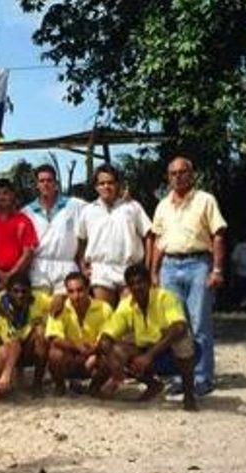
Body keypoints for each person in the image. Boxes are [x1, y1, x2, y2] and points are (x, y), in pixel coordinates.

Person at [151, 156, 226, 396]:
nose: (178, 177)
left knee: (199, 323)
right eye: (173, 173)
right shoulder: (163, 205)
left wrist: (217, 270)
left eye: (182, 172)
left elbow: (218, 234)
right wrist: (153, 271)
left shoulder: (205, 200)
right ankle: (180, 377)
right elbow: (158, 241)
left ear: (192, 175)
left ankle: (202, 378)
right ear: (168, 177)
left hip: (198, 264)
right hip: (169, 267)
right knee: (175, 325)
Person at [96, 264, 199, 411]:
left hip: (171, 353)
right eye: (132, 284)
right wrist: (115, 368)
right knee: (117, 350)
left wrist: (149, 355)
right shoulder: (126, 305)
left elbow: (180, 327)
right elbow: (105, 337)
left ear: (149, 282)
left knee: (182, 339)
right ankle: (153, 385)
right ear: (128, 287)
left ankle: (189, 396)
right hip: (146, 353)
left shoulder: (165, 297)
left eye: (140, 282)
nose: (137, 287)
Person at [76, 164, 153, 307]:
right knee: (104, 315)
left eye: (110, 182)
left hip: (129, 269)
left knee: (129, 315)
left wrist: (147, 267)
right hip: (100, 271)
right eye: (102, 183)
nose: (106, 186)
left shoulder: (132, 207)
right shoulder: (88, 211)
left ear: (117, 184)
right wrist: (82, 266)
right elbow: (80, 240)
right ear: (96, 187)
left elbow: (148, 235)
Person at [45, 271, 114, 396]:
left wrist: (95, 350)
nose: (76, 296)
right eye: (71, 291)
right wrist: (77, 347)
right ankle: (60, 386)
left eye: (80, 290)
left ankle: (94, 388)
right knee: (54, 353)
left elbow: (109, 337)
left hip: (94, 357)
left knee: (111, 354)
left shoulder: (104, 308)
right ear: (66, 292)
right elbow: (54, 338)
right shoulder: (58, 307)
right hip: (70, 357)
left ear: (88, 289)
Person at [21, 164, 86, 293]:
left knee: (63, 305)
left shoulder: (75, 205)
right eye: (42, 181)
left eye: (49, 180)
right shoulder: (26, 212)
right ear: (37, 185)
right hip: (38, 268)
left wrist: (121, 201)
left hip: (67, 266)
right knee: (39, 304)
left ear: (56, 183)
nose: (46, 184)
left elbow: (98, 211)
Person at [0, 273, 53, 396]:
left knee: (40, 333)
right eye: (15, 291)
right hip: (6, 346)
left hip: (27, 346)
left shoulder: (38, 298)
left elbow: (60, 300)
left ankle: (37, 384)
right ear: (8, 292)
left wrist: (57, 304)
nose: (20, 295)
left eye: (24, 291)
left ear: (30, 292)